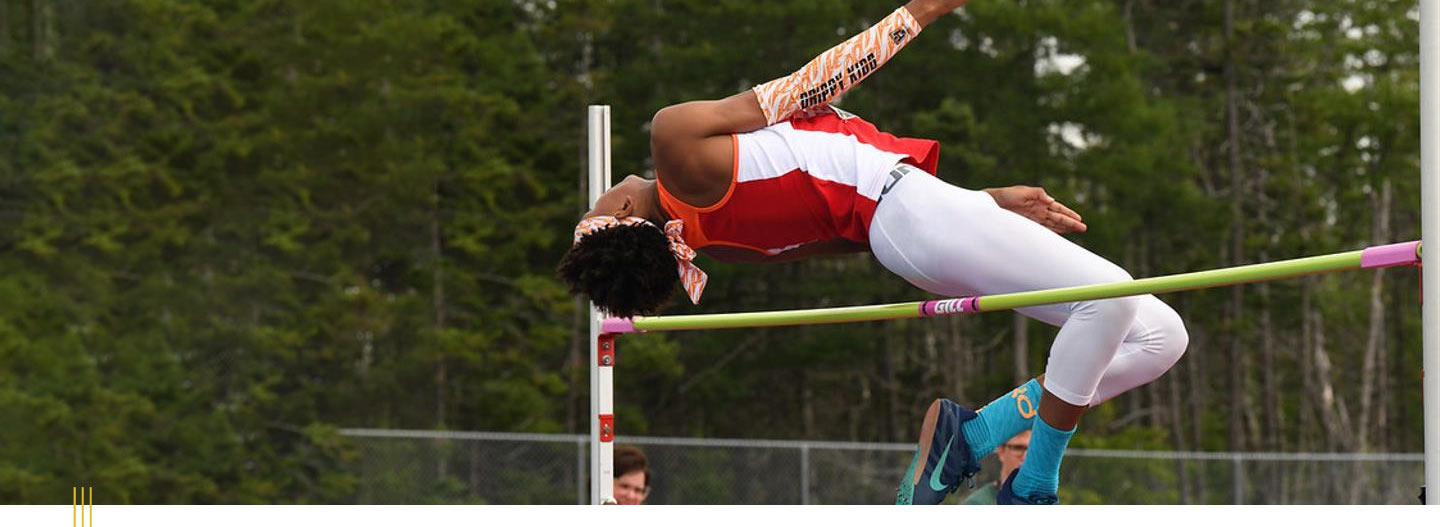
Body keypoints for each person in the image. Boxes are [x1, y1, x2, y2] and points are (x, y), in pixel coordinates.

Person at [558, 0, 1188, 505]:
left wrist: (984, 202)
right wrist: (920, 13)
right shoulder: (675, 143)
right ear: (617, 214)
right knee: (1111, 299)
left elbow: (847, 227)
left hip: (912, 222)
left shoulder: (715, 241)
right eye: (593, 208)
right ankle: (1033, 484)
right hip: (912, 213)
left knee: (1160, 337)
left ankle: (978, 434)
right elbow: (809, 86)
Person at [961, 430, 1030, 505]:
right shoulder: (978, 503)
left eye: (1031, 450)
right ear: (1001, 451)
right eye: (1018, 448)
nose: (1025, 456)